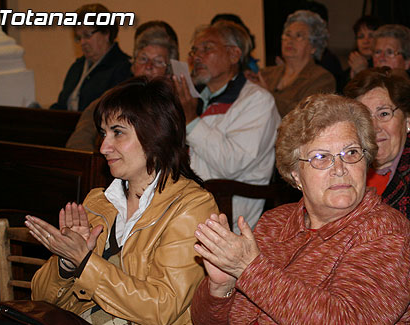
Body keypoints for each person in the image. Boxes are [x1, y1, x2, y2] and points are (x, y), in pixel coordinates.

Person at [169, 94, 410, 325]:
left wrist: (250, 270)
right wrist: (221, 287)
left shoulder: (386, 232)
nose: (339, 168)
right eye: (321, 157)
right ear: (294, 173)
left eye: (351, 153)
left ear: (367, 161)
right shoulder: (274, 225)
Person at [0, 77, 225, 325]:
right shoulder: (101, 201)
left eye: (117, 133)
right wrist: (68, 264)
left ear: (154, 133)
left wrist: (86, 262)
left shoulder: (191, 206)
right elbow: (43, 296)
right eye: (103, 133)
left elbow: (160, 308)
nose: (103, 147)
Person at [175, 21, 280, 229]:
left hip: (228, 213)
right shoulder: (195, 99)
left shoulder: (257, 101)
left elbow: (231, 164)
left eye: (206, 48)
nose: (196, 56)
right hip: (186, 204)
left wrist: (191, 121)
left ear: (234, 55)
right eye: (194, 50)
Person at [345, 66, 410, 265]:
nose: (373, 128)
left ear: (408, 120)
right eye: (364, 116)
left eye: (383, 114)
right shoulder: (343, 165)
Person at [66, 22, 179, 151]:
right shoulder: (111, 98)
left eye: (158, 62)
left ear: (169, 72)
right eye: (143, 59)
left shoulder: (176, 104)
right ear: (133, 65)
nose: (148, 66)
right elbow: (79, 140)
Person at [247, 10, 335, 117]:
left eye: (299, 36)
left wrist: (267, 95)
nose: (290, 40)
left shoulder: (322, 79)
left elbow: (305, 116)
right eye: (287, 35)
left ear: (314, 47)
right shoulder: (266, 73)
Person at [51, 3, 131, 111]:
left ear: (106, 33)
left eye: (87, 35)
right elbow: (62, 105)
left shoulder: (123, 68)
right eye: (78, 38)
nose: (82, 42)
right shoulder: (77, 67)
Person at [337, 15, 381, 92]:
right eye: (361, 36)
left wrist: (363, 72)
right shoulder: (350, 68)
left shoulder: (383, 65)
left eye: (371, 36)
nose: (366, 41)